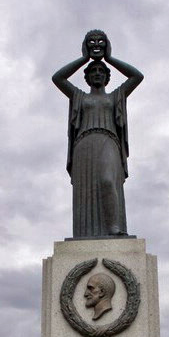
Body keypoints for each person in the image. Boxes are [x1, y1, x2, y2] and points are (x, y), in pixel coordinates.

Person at [52, 30, 143, 238]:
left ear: (107, 76)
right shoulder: (79, 96)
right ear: (87, 77)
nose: (97, 74)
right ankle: (86, 233)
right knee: (86, 191)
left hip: (108, 141)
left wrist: (109, 58)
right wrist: (84, 58)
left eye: (101, 72)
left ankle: (114, 228)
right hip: (84, 145)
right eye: (93, 72)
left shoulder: (116, 96)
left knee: (107, 181)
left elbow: (137, 76)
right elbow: (57, 77)